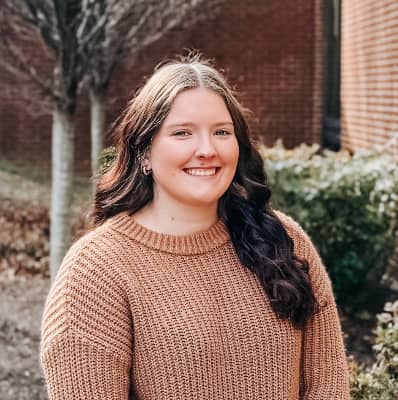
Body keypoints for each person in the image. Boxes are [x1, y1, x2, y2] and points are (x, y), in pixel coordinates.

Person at [40, 54, 350, 400]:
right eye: (182, 133)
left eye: (221, 132)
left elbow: (329, 386)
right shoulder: (96, 270)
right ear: (144, 152)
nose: (207, 149)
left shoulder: (284, 240)